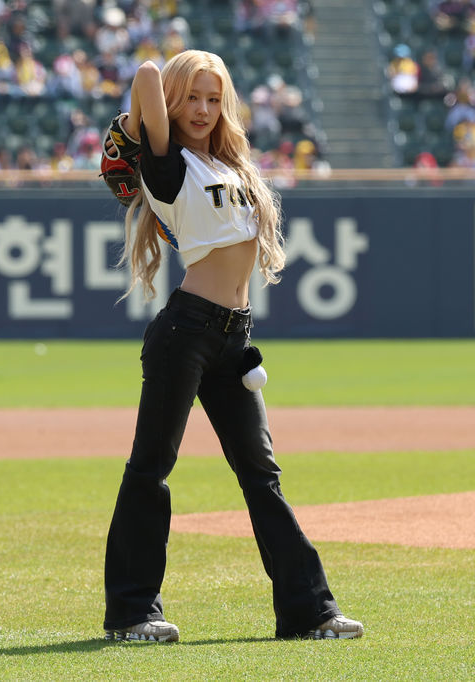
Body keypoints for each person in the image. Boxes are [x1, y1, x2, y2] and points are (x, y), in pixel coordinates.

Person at [101, 49, 364, 642]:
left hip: (233, 338)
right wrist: (152, 101)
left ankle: (306, 611)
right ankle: (132, 613)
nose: (202, 108)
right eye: (191, 96)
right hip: (186, 333)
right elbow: (145, 75)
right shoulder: (167, 166)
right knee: (151, 468)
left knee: (261, 475)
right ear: (171, 101)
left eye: (213, 98)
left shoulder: (229, 165)